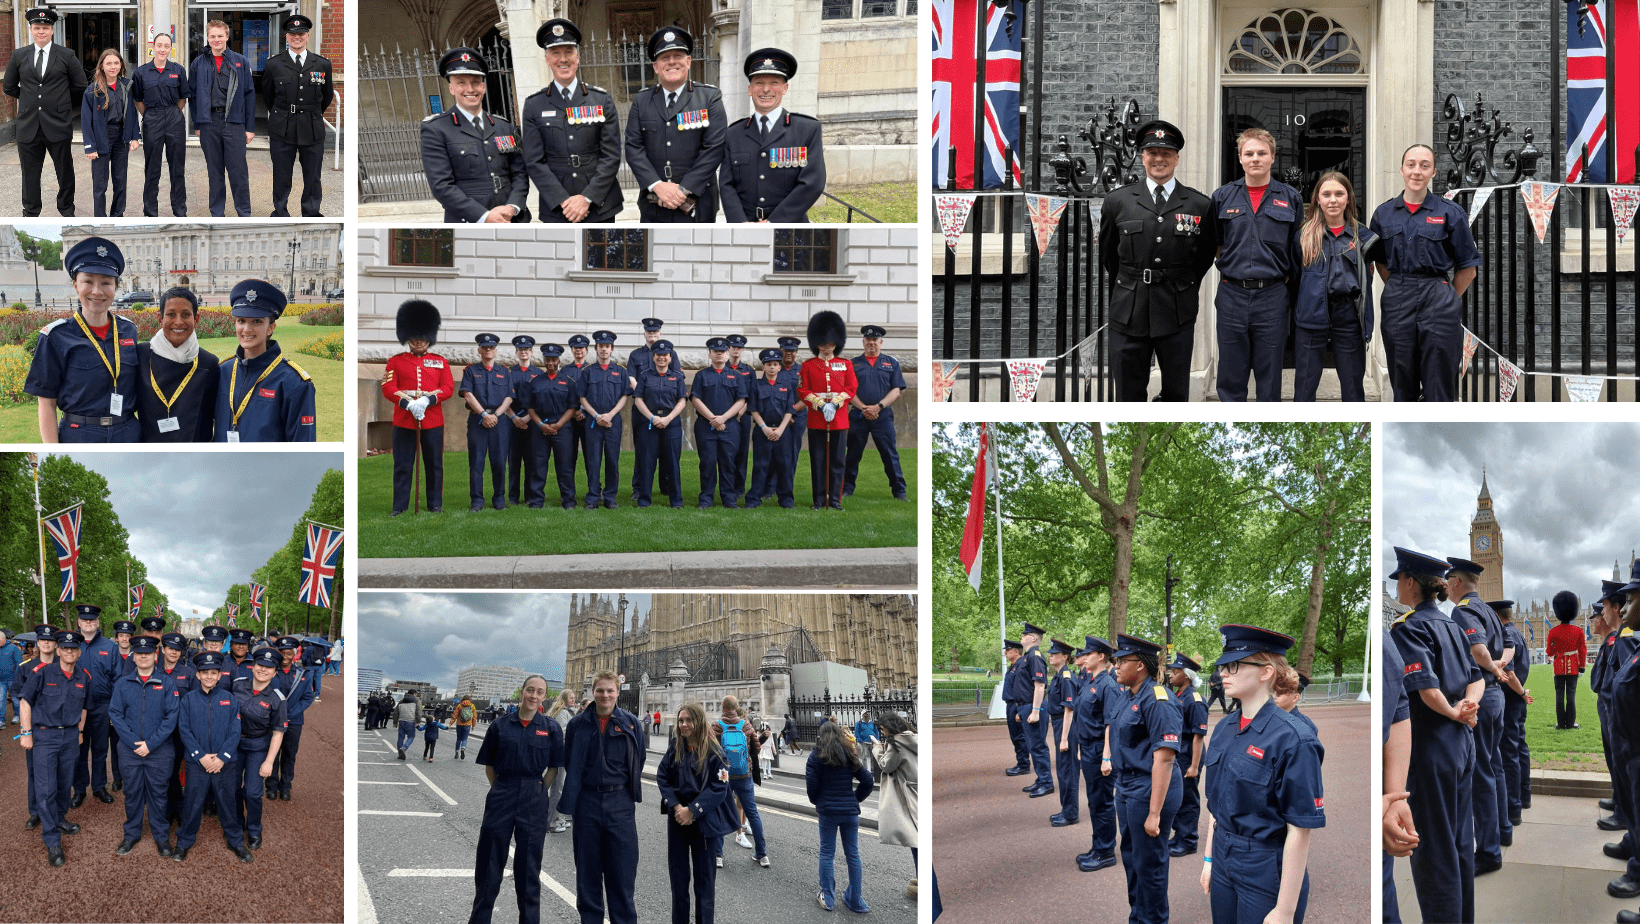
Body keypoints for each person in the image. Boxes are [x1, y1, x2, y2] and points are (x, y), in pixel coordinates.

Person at [1199, 625, 1325, 924]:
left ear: (1265, 672)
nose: (1222, 674)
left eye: (1233, 666)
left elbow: (1300, 828)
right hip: (1223, 856)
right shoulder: (1224, 729)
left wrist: (1284, 911)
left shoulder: (1294, 739)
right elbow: (1217, 808)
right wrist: (1209, 860)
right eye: (1222, 666)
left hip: (1264, 863)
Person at [1388, 547, 1482, 924]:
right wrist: (1466, 709)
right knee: (1460, 845)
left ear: (1410, 582)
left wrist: (1452, 711)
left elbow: (1426, 689)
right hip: (1462, 742)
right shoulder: (1453, 626)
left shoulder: (1408, 627)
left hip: (1432, 746)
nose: (1397, 587)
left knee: (1434, 853)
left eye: (1399, 580)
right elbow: (1476, 678)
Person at [1097, 119, 1217, 401]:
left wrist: (1180, 283)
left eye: (1166, 153)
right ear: (1143, 157)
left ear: (1176, 158)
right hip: (1128, 311)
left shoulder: (1199, 204)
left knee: (1176, 396)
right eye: (1152, 152)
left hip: (1176, 311)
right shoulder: (1118, 201)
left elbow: (1204, 257)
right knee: (1128, 396)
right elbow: (1109, 255)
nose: (1159, 159)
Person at [1368, 143, 1482, 401]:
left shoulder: (1450, 213)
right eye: (1411, 165)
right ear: (1402, 170)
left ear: (1433, 172)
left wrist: (1445, 296)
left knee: (1439, 381)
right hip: (1398, 296)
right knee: (1401, 376)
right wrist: (1400, 285)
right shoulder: (1383, 214)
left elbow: (1468, 268)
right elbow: (1381, 263)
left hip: (1438, 297)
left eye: (1424, 165)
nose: (1417, 171)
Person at [1209, 128, 1302, 402]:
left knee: (1270, 374)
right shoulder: (1222, 197)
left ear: (1273, 157)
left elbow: (1296, 249)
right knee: (1230, 375)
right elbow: (1215, 244)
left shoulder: (1291, 198)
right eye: (1249, 153)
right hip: (1231, 294)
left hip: (1272, 296)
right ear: (1240, 158)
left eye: (1262, 153)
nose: (1255, 158)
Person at [25, 237, 140, 442]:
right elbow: (46, 403)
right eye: (88, 281)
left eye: (106, 282)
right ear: (76, 285)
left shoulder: (128, 330)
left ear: (115, 287)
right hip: (80, 433)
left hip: (127, 432)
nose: (97, 291)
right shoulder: (55, 336)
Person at [560, 671, 647, 924]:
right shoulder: (577, 724)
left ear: (618, 692)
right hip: (586, 802)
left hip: (620, 803)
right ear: (592, 692)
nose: (605, 695)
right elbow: (569, 760)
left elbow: (638, 759)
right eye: (600, 690)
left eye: (610, 690)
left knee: (621, 876)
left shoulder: (630, 723)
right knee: (587, 876)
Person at [1107, 633, 1183, 922]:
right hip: (1127, 785)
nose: (1115, 665)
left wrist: (1154, 813)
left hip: (1149, 788)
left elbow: (1164, 759)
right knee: (1131, 857)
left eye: (1121, 661)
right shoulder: (1128, 696)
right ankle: (1138, 916)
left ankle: (1153, 919)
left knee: (1149, 863)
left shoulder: (1158, 700)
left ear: (1139, 665)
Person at [521, 19, 624, 223]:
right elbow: (534, 161)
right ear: (547, 59)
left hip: (599, 203)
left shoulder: (601, 99)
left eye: (568, 52)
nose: (563, 59)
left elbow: (611, 155)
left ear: (577, 56)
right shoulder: (534, 105)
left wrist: (587, 198)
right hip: (558, 207)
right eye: (556, 53)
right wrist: (563, 200)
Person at [1444, 555, 1509, 874]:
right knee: (1493, 765)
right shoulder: (1489, 611)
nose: (1446, 587)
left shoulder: (1464, 609)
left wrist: (1491, 666)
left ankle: (1488, 851)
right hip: (1496, 697)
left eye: (1448, 580)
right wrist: (1498, 668)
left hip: (1481, 694)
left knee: (1480, 774)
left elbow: (1477, 650)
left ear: (1457, 582)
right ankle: (1501, 832)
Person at [626, 27, 727, 222]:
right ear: (656, 66)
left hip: (698, 201)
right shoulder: (641, 101)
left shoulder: (709, 97)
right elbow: (633, 147)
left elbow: (714, 148)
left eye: (677, 55)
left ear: (688, 61)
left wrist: (683, 190)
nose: (672, 62)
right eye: (665, 57)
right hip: (654, 201)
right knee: (654, 251)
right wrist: (657, 185)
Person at [1293, 170, 1377, 402]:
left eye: (1339, 194)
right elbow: (1293, 276)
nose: (1333, 200)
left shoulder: (1364, 237)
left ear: (1348, 198)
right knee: (1304, 388)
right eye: (1326, 194)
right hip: (1310, 317)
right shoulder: (1302, 236)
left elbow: (1375, 270)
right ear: (1317, 199)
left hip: (1349, 317)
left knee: (1352, 388)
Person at [421, 47, 530, 223]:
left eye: (475, 82)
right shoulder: (436, 129)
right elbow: (441, 186)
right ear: (451, 88)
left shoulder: (504, 126)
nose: (470, 89)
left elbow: (520, 173)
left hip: (511, 218)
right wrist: (484, 216)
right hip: (470, 220)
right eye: (461, 82)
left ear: (483, 86)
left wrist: (513, 207)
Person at [720, 48, 826, 222]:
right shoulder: (734, 134)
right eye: (759, 82)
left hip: (789, 227)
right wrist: (741, 224)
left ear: (785, 88)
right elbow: (726, 184)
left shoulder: (807, 129)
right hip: (745, 226)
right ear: (750, 89)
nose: (766, 89)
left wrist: (772, 223)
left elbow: (812, 183)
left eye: (774, 82)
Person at [657, 702, 736, 924]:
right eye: (681, 720)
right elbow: (662, 777)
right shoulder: (676, 746)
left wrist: (692, 810)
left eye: (688, 720)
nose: (684, 725)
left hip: (703, 822)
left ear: (698, 722)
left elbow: (719, 788)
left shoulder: (715, 751)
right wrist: (676, 807)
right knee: (679, 882)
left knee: (704, 883)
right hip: (678, 820)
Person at [17, 630, 91, 866]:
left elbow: (85, 707)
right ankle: (52, 839)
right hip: (45, 737)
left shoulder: (84, 676)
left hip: (70, 737)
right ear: (58, 651)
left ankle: (59, 818)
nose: (69, 652)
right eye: (65, 648)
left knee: (63, 784)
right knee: (46, 788)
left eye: (74, 648)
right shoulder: (41, 672)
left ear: (79, 652)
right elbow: (25, 701)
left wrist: (79, 731)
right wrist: (26, 733)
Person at [4, 9, 85, 217]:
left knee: (65, 172)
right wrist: (29, 99)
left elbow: (80, 85)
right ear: (31, 30)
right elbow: (10, 87)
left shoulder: (66, 55)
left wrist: (61, 104)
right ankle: (31, 212)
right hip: (28, 126)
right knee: (30, 175)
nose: (41, 31)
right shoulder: (19, 55)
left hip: (58, 124)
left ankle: (67, 209)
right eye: (37, 28)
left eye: (45, 28)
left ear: (52, 30)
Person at [212, 280, 316, 442]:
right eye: (241, 320)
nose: (247, 329)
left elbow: (303, 449)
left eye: (257, 321)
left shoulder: (294, 383)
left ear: (270, 328)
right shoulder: (222, 372)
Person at [174, 650, 251, 863]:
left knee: (227, 803)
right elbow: (184, 730)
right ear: (197, 675)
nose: (209, 676)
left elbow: (235, 730)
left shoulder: (230, 699)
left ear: (220, 675)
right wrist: (200, 756)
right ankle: (184, 842)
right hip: (197, 763)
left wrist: (222, 758)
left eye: (214, 673)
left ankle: (235, 841)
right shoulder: (188, 700)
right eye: (204, 672)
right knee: (192, 803)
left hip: (224, 763)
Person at [110, 635, 178, 858]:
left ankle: (161, 836)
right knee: (132, 793)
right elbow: (116, 714)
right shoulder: (122, 683)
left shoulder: (167, 683)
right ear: (134, 657)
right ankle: (131, 834)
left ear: (154, 655)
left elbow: (171, 717)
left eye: (147, 654)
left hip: (159, 751)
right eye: (139, 654)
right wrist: (132, 742)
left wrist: (151, 744)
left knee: (159, 794)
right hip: (129, 752)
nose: (143, 657)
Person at [384, 299, 453, 515]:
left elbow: (448, 387)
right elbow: (388, 388)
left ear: (429, 338)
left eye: (422, 337)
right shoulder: (396, 361)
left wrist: (426, 401)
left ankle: (435, 504)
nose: (418, 341)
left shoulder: (440, 361)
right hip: (404, 420)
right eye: (414, 337)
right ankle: (400, 506)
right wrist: (408, 403)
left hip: (432, 420)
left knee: (433, 465)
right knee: (403, 466)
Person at [262, 14, 332, 217]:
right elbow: (268, 97)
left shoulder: (321, 65)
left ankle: (310, 212)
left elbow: (325, 98)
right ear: (287, 36)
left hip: (311, 127)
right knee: (281, 175)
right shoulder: (274, 64)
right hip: (282, 128)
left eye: (301, 33)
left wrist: (311, 114)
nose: (297, 37)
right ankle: (281, 211)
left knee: (313, 176)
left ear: (307, 36)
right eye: (293, 34)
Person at [135, 287, 221, 442]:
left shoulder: (209, 363)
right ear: (160, 319)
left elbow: (215, 418)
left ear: (196, 319)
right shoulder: (141, 355)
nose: (179, 322)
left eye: (186, 314)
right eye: (171, 314)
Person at [189, 20, 256, 217]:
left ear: (227, 36)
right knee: (214, 172)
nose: (216, 40)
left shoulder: (240, 62)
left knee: (238, 172)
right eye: (212, 36)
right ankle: (217, 213)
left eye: (220, 36)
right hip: (208, 123)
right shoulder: (198, 63)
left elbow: (249, 95)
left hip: (234, 123)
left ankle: (244, 212)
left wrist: (249, 127)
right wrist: (197, 123)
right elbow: (192, 95)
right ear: (207, 38)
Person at [806, 720, 873, 912]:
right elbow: (868, 780)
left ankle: (828, 898)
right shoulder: (848, 755)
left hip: (828, 812)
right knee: (853, 854)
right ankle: (856, 900)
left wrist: (818, 801)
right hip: (849, 812)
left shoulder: (816, 756)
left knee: (827, 853)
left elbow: (811, 787)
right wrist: (855, 799)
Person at [842, 325, 908, 500]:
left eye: (875, 340)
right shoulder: (852, 364)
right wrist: (864, 408)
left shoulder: (892, 363)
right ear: (863, 342)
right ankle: (846, 488)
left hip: (883, 416)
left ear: (881, 342)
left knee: (889, 453)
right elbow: (847, 390)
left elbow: (896, 390)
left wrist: (878, 407)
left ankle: (899, 491)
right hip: (858, 415)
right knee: (853, 454)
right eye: (868, 340)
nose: (871, 343)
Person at [798, 311, 856, 511]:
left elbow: (850, 388)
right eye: (823, 342)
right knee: (818, 461)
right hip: (816, 418)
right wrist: (822, 404)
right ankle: (819, 500)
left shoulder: (846, 364)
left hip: (839, 418)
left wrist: (836, 403)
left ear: (835, 343)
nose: (826, 346)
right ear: (817, 343)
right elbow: (803, 390)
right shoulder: (808, 366)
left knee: (838, 461)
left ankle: (835, 500)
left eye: (830, 342)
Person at [1074, 635, 1120, 873]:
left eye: (1089, 654)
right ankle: (1097, 846)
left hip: (1099, 750)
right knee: (1095, 801)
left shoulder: (1108, 685)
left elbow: (1111, 724)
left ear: (1101, 656)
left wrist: (1106, 756)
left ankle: (1105, 852)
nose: (1084, 657)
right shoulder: (1091, 681)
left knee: (1102, 802)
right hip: (1089, 748)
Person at [131, 31, 190, 217]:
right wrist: (148, 115)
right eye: (159, 45)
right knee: (152, 168)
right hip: (152, 119)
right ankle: (150, 212)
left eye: (166, 46)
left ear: (170, 48)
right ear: (153, 47)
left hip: (174, 117)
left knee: (177, 168)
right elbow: (137, 100)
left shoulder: (178, 70)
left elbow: (183, 98)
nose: (162, 49)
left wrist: (175, 112)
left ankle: (180, 210)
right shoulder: (140, 72)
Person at [235, 647, 288, 851]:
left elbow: (278, 733)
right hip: (234, 745)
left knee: (253, 792)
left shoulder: (277, 699)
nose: (263, 670)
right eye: (260, 665)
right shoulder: (237, 686)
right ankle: (238, 824)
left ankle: (254, 829)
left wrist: (269, 762)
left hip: (258, 747)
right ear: (253, 666)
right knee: (232, 788)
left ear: (275, 672)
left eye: (269, 667)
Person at [1490, 599, 1534, 831]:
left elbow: (1510, 672)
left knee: (1509, 753)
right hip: (1518, 699)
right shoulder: (1517, 632)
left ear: (1496, 616)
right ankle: (1524, 796)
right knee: (1520, 748)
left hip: (1511, 698)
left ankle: (1513, 808)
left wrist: (1520, 692)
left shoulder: (1505, 636)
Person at [81, 48, 140, 218]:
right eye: (109, 63)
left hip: (121, 137)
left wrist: (135, 136)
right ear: (102, 66)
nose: (113, 67)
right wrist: (90, 147)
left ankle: (117, 214)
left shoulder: (126, 86)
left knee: (120, 181)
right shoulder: (93, 90)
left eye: (116, 63)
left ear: (121, 64)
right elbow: (86, 121)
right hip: (101, 137)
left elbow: (131, 113)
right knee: (100, 184)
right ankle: (100, 216)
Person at [72, 604, 121, 808]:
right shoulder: (71, 645)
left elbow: (118, 680)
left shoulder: (110, 647)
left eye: (92, 620)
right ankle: (80, 789)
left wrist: (114, 709)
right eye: (85, 620)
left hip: (103, 706)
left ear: (98, 622)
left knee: (101, 749)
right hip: (76, 707)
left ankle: (99, 787)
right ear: (79, 622)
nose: (88, 623)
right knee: (79, 750)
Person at [690, 337, 748, 508]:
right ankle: (706, 499)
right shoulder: (701, 375)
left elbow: (741, 400)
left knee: (728, 462)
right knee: (707, 462)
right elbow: (695, 398)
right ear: (710, 354)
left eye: (722, 352)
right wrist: (712, 419)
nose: (719, 354)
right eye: (715, 351)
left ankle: (729, 498)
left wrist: (723, 418)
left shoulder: (736, 376)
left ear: (727, 353)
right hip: (705, 426)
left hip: (729, 426)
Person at [461, 333, 514, 511]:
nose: (488, 350)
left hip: (500, 422)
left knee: (499, 462)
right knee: (476, 462)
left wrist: (495, 416)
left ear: (496, 351)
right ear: (479, 350)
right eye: (485, 348)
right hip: (478, 420)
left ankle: (499, 499)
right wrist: (484, 415)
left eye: (491, 348)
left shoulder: (504, 372)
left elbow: (509, 397)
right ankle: (477, 500)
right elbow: (468, 395)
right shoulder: (471, 371)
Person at [712, 695, 769, 866]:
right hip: (744, 774)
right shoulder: (746, 725)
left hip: (724, 775)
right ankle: (762, 854)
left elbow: (709, 750)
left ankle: (718, 855)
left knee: (720, 811)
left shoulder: (716, 725)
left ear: (723, 707)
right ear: (736, 708)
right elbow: (756, 748)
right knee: (752, 813)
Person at [578, 330, 631, 510]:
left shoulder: (620, 371)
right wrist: (596, 415)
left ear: (611, 349)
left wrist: (610, 415)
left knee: (612, 460)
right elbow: (582, 397)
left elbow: (625, 395)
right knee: (593, 460)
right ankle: (592, 497)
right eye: (601, 346)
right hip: (593, 421)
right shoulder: (587, 372)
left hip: (613, 421)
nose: (604, 350)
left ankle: (610, 497)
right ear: (596, 349)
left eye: (607, 347)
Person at [632, 339, 687, 508]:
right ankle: (644, 500)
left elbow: (682, 401)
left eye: (665, 355)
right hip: (650, 423)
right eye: (658, 355)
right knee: (647, 462)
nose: (661, 358)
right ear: (654, 356)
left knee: (672, 462)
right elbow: (638, 399)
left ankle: (676, 501)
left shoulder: (677, 377)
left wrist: (668, 419)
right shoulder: (645, 376)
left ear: (670, 357)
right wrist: (652, 418)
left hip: (671, 423)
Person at [1167, 652, 1209, 858]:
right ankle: (1179, 835)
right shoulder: (1178, 696)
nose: (1171, 675)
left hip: (1189, 754)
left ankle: (1189, 840)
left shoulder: (1195, 700)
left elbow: (1198, 736)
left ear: (1186, 675)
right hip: (1179, 753)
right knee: (1178, 796)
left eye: (1175, 672)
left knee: (1188, 798)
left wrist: (1194, 766)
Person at [873, 711, 918, 898]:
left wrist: (877, 748)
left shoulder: (896, 744)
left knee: (916, 840)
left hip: (906, 794)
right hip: (917, 788)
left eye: (883, 728)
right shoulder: (913, 738)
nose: (882, 732)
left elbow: (887, 766)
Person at [746, 347, 797, 508]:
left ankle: (786, 500)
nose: (772, 367)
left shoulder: (786, 385)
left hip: (783, 432)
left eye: (775, 364)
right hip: (763, 431)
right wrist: (764, 428)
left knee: (785, 465)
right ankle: (754, 499)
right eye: (769, 364)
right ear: (763, 367)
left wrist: (781, 429)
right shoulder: (756, 385)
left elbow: (790, 409)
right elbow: (753, 409)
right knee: (761, 465)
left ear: (780, 367)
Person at [625, 319, 666, 500]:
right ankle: (639, 488)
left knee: (666, 451)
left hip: (664, 410)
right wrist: (643, 394)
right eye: (649, 332)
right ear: (644, 334)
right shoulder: (636, 355)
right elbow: (631, 378)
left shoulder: (669, 353)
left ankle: (666, 486)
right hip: (642, 409)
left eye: (655, 332)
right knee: (642, 450)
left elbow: (676, 375)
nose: (652, 335)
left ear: (660, 334)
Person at [271, 636, 315, 800]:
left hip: (294, 721)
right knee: (273, 754)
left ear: (294, 655)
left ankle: (285, 787)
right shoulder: (271, 671)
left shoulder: (303, 674)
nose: (285, 657)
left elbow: (308, 698)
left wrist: (289, 714)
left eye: (289, 653)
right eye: (282, 653)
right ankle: (271, 786)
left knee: (289, 755)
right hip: (274, 720)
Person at [1043, 638, 1081, 827]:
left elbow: (1069, 709)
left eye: (1054, 654)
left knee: (1068, 771)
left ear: (1064, 657)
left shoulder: (1066, 677)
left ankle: (1071, 813)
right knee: (1062, 771)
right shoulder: (1059, 676)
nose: (1050, 656)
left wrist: (1064, 738)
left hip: (1067, 726)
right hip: (1059, 725)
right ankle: (1066, 809)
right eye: (1050, 653)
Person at [1015, 622, 1053, 797]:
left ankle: (1046, 782)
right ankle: (1041, 779)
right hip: (1026, 706)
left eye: (1024, 635)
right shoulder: (1028, 656)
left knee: (1038, 746)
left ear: (1032, 638)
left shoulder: (1035, 655)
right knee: (1033, 746)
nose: (1021, 637)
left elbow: (1039, 685)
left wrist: (1036, 711)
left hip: (1033, 706)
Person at [506, 336, 541, 505]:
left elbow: (540, 400)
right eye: (520, 350)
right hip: (511, 421)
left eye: (526, 350)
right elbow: (504, 397)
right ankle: (513, 497)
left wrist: (527, 418)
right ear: (516, 352)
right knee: (513, 460)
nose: (523, 353)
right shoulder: (508, 373)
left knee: (531, 460)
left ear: (531, 352)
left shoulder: (539, 374)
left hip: (531, 422)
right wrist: (514, 417)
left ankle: (530, 496)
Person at [1546, 590, 1586, 729]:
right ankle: (1570, 723)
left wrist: (1555, 650)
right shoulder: (1578, 631)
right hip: (1573, 667)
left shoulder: (1553, 631)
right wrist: (1582, 667)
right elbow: (1582, 650)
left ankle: (1560, 723)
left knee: (1559, 696)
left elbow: (1549, 651)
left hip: (1558, 668)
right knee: (1571, 696)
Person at [725, 335, 756, 499]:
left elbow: (751, 394)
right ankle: (727, 486)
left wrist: (741, 411)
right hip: (726, 416)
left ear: (742, 350)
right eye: (733, 347)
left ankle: (739, 488)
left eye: (739, 348)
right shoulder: (722, 368)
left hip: (742, 417)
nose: (736, 350)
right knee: (727, 453)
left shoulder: (748, 370)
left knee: (742, 452)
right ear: (728, 349)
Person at [547, 689, 579, 834]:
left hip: (565, 754)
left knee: (561, 787)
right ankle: (551, 821)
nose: (573, 700)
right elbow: (561, 733)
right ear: (565, 699)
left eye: (574, 698)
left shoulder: (567, 712)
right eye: (571, 698)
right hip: (560, 754)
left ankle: (558, 817)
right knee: (557, 789)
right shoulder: (562, 713)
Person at [1001, 638, 1031, 778]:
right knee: (1015, 736)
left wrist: (1019, 710)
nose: (1005, 652)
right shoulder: (1014, 665)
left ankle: (1023, 765)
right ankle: (1022, 763)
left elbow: (1022, 689)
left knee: (1019, 736)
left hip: (1016, 704)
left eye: (1008, 650)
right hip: (1011, 704)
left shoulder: (1020, 665)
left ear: (1016, 651)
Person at [395, 691, 421, 760]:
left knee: (401, 737)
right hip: (411, 721)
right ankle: (404, 748)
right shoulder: (416, 701)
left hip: (401, 721)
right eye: (416, 694)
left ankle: (400, 754)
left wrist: (395, 722)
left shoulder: (401, 701)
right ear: (414, 694)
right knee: (411, 736)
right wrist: (418, 721)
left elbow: (396, 711)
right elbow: (418, 711)